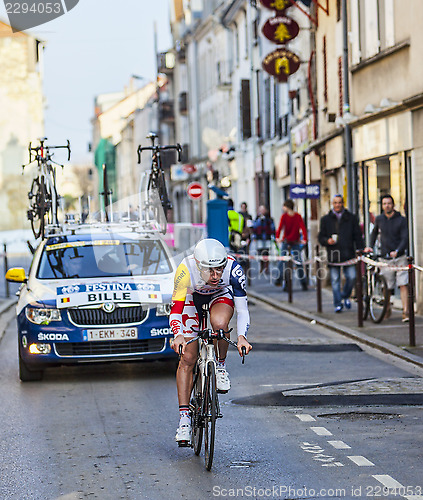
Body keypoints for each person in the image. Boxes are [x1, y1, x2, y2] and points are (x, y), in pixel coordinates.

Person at [171, 238, 252, 444]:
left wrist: (242, 337)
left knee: (219, 324)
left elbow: (242, 310)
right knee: (188, 357)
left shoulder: (233, 270)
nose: (216, 276)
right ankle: (184, 420)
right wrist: (178, 334)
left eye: (219, 270)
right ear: (198, 265)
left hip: (219, 297)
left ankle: (221, 366)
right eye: (210, 271)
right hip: (191, 298)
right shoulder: (185, 270)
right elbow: (176, 311)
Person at [365, 194, 409, 322]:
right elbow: (373, 234)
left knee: (403, 284)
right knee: (387, 287)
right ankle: (387, 308)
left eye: (389, 203)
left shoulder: (401, 220)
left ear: (393, 205)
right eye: (384, 204)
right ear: (382, 205)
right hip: (385, 258)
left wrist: (398, 250)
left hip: (399, 257)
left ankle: (406, 311)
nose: (387, 206)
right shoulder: (379, 219)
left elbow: (405, 238)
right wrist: (370, 247)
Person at [318, 194, 364, 313]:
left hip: (348, 253)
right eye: (335, 203)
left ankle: (345, 296)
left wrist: (361, 249)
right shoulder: (326, 219)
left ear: (343, 203)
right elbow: (321, 236)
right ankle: (338, 303)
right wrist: (327, 241)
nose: (338, 205)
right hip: (334, 254)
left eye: (340, 202)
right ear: (332, 204)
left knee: (352, 277)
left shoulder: (351, 218)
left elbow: (357, 235)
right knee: (335, 280)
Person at [275, 199, 308, 291]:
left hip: (291, 241)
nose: (282, 208)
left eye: (284, 206)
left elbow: (280, 228)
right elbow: (281, 227)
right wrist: (304, 239)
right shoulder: (294, 216)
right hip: (292, 241)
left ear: (287, 207)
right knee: (296, 262)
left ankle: (280, 278)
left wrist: (277, 237)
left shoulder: (291, 216)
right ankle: (302, 282)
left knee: (291, 261)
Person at [252, 205, 275, 274]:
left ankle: (266, 267)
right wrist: (255, 236)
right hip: (259, 238)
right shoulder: (257, 218)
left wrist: (273, 236)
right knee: (260, 253)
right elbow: (254, 227)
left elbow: (272, 228)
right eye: (260, 209)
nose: (262, 211)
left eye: (263, 209)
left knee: (266, 253)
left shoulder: (269, 218)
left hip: (267, 238)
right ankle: (262, 267)